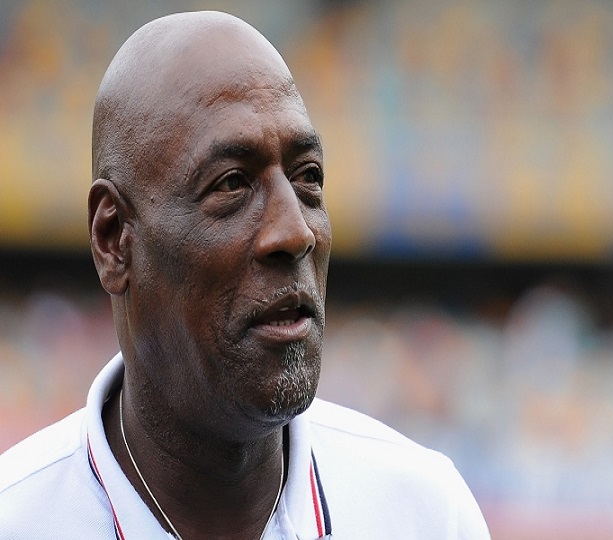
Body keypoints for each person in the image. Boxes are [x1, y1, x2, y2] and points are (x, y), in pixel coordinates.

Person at [0, 11, 490, 539]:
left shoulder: (425, 514)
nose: (296, 232)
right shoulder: (20, 519)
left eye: (307, 177)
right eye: (232, 183)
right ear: (114, 238)